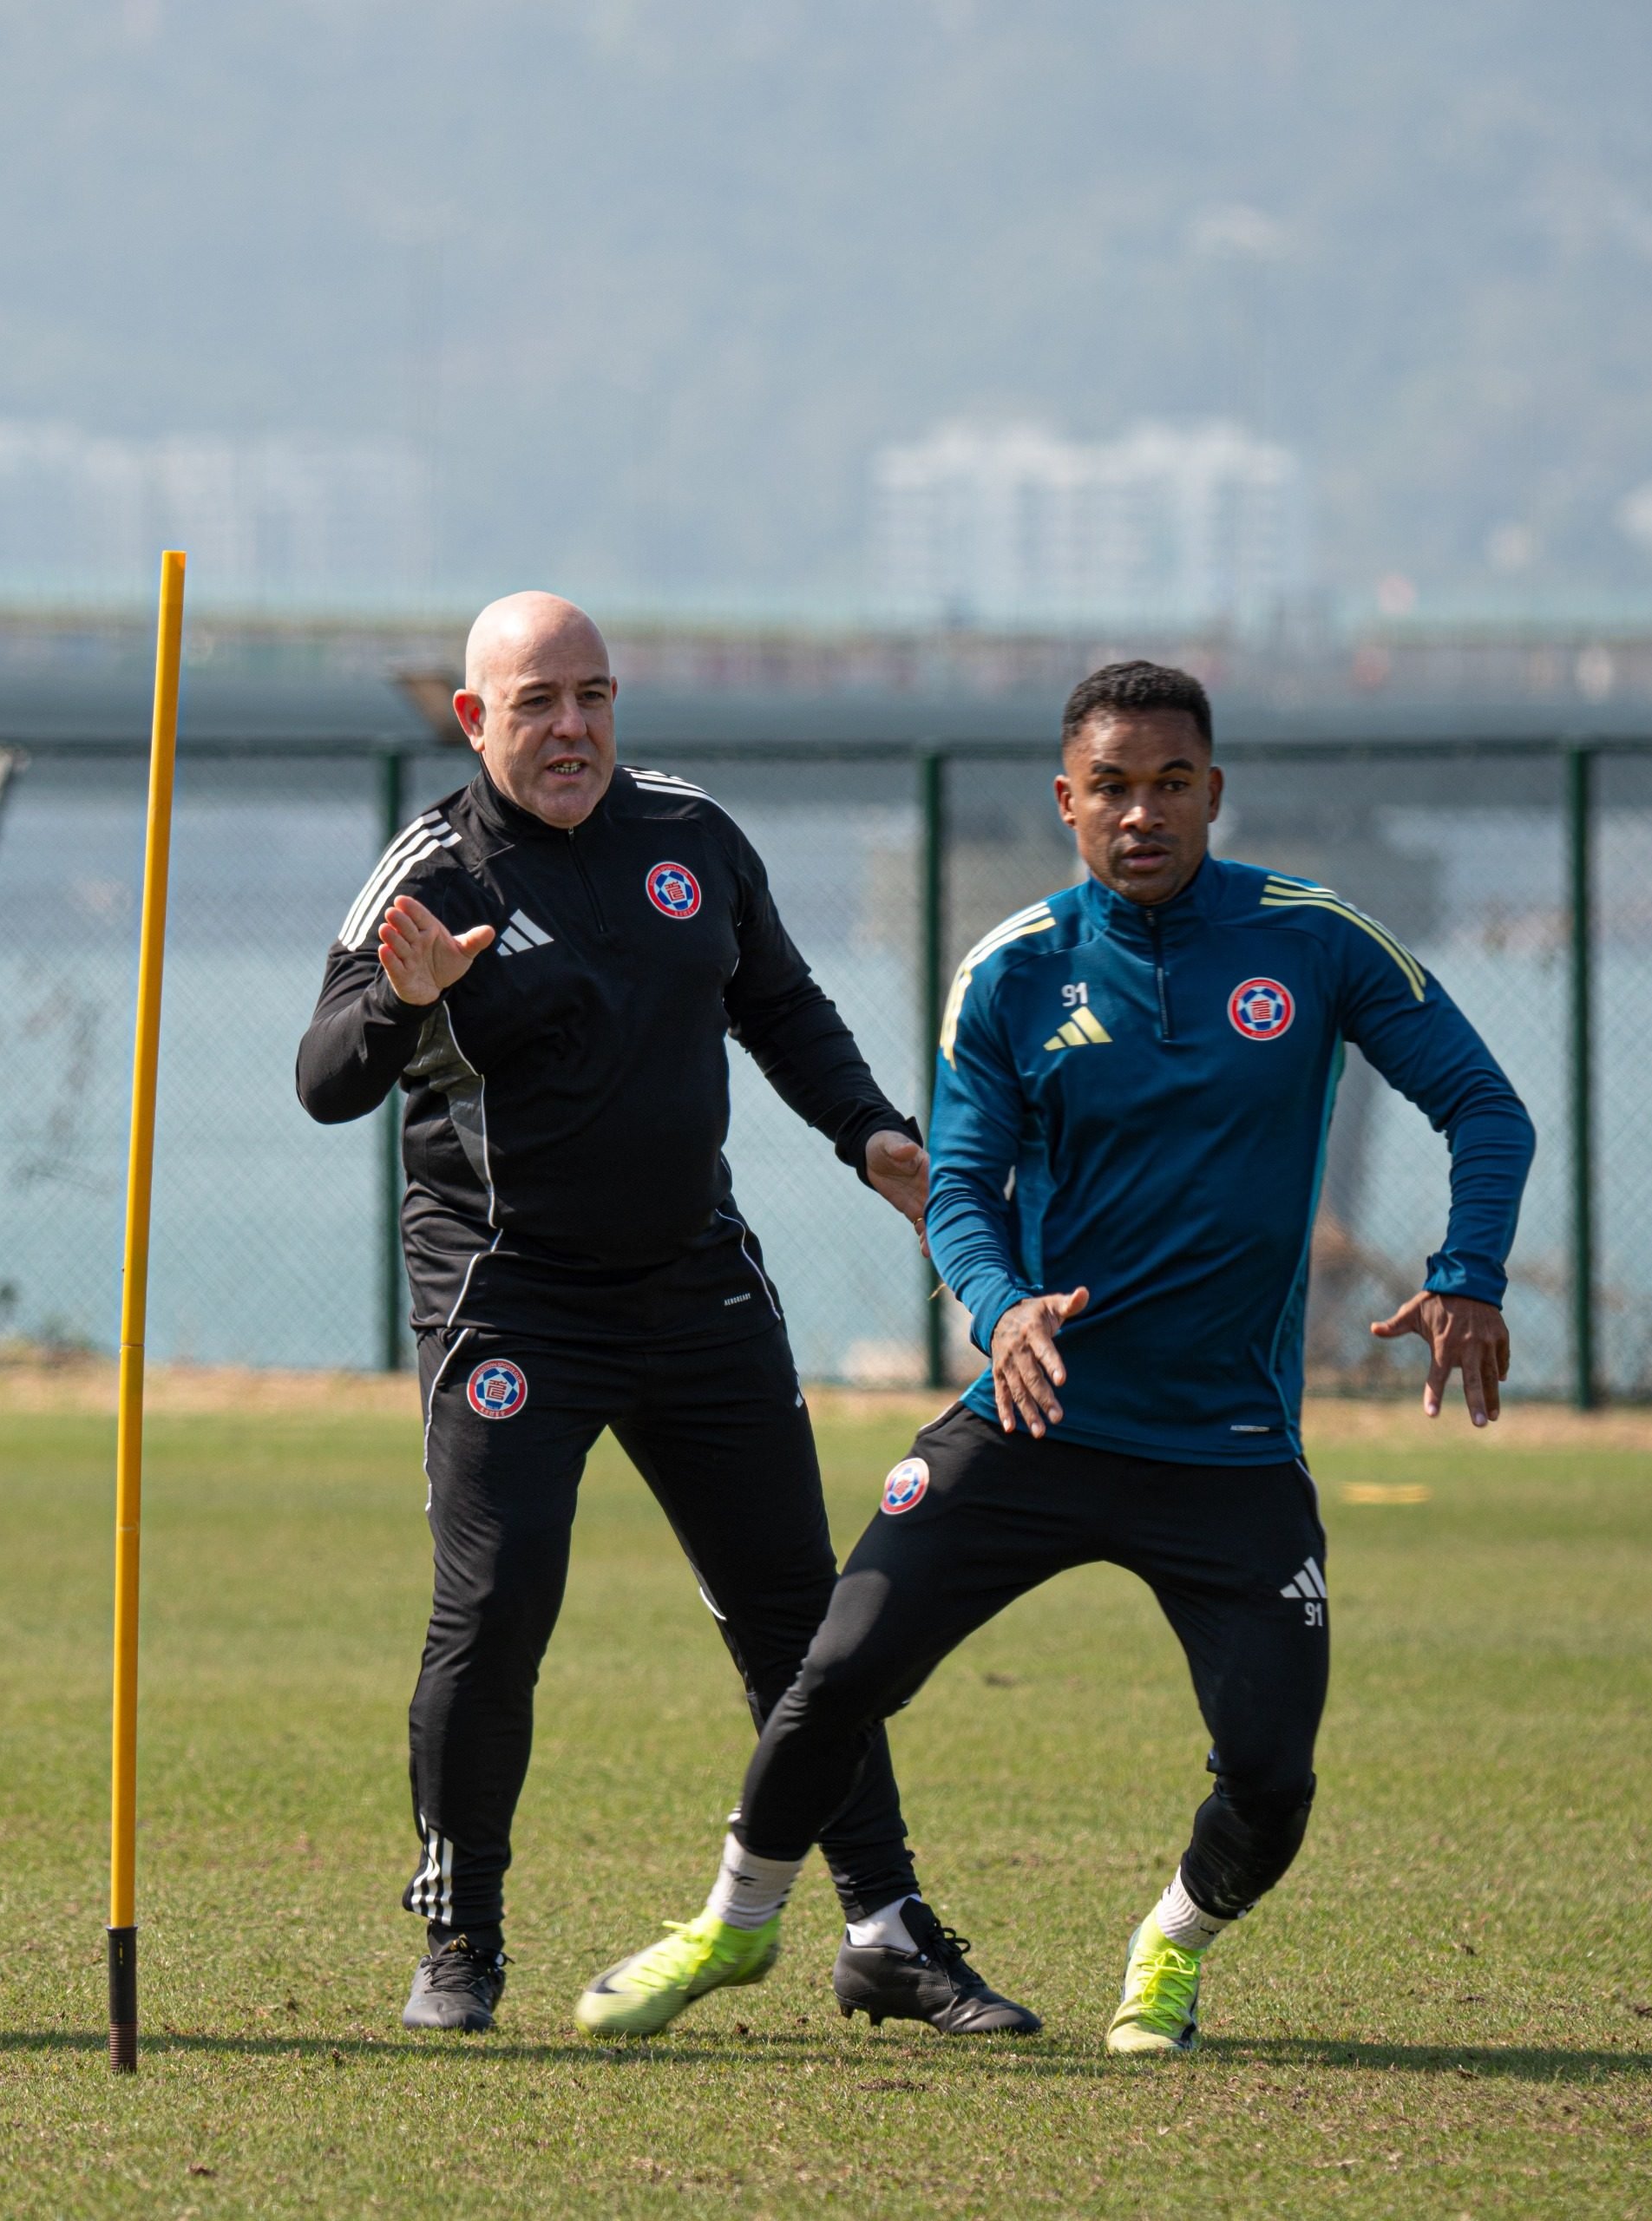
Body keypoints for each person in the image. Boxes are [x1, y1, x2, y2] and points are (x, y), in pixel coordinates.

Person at [577, 658, 1535, 2054]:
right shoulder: (1016, 967)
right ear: (1065, 805)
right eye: (1111, 790)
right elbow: (959, 1184)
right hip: (1035, 1413)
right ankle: (734, 1922)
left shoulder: (1315, 940)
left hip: (1227, 1452)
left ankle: (1172, 1942)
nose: (1140, 814)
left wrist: (1464, 1274)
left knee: (1270, 1781)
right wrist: (1000, 1302)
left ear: (1212, 792)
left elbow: (1484, 1111)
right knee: (835, 1670)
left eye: (1168, 785)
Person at [296, 593, 1036, 2036]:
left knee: (805, 1620)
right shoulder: (433, 868)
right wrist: (404, 1004)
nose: (570, 728)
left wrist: (873, 1136)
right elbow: (324, 1077)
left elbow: (780, 1002)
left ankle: (883, 1925)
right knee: (497, 1608)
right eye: (536, 704)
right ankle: (460, 1934)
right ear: (474, 720)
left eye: (594, 696)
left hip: (697, 1287)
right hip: (509, 1303)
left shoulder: (691, 834)